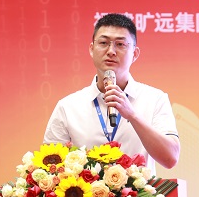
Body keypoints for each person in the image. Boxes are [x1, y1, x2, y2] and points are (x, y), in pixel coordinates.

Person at [43, 13, 180, 172]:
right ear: (91, 49)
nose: (111, 51)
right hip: (83, 189)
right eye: (103, 43)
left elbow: (171, 158)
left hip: (139, 189)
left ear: (135, 54)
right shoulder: (68, 107)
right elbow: (49, 169)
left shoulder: (155, 99)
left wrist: (132, 115)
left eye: (120, 44)